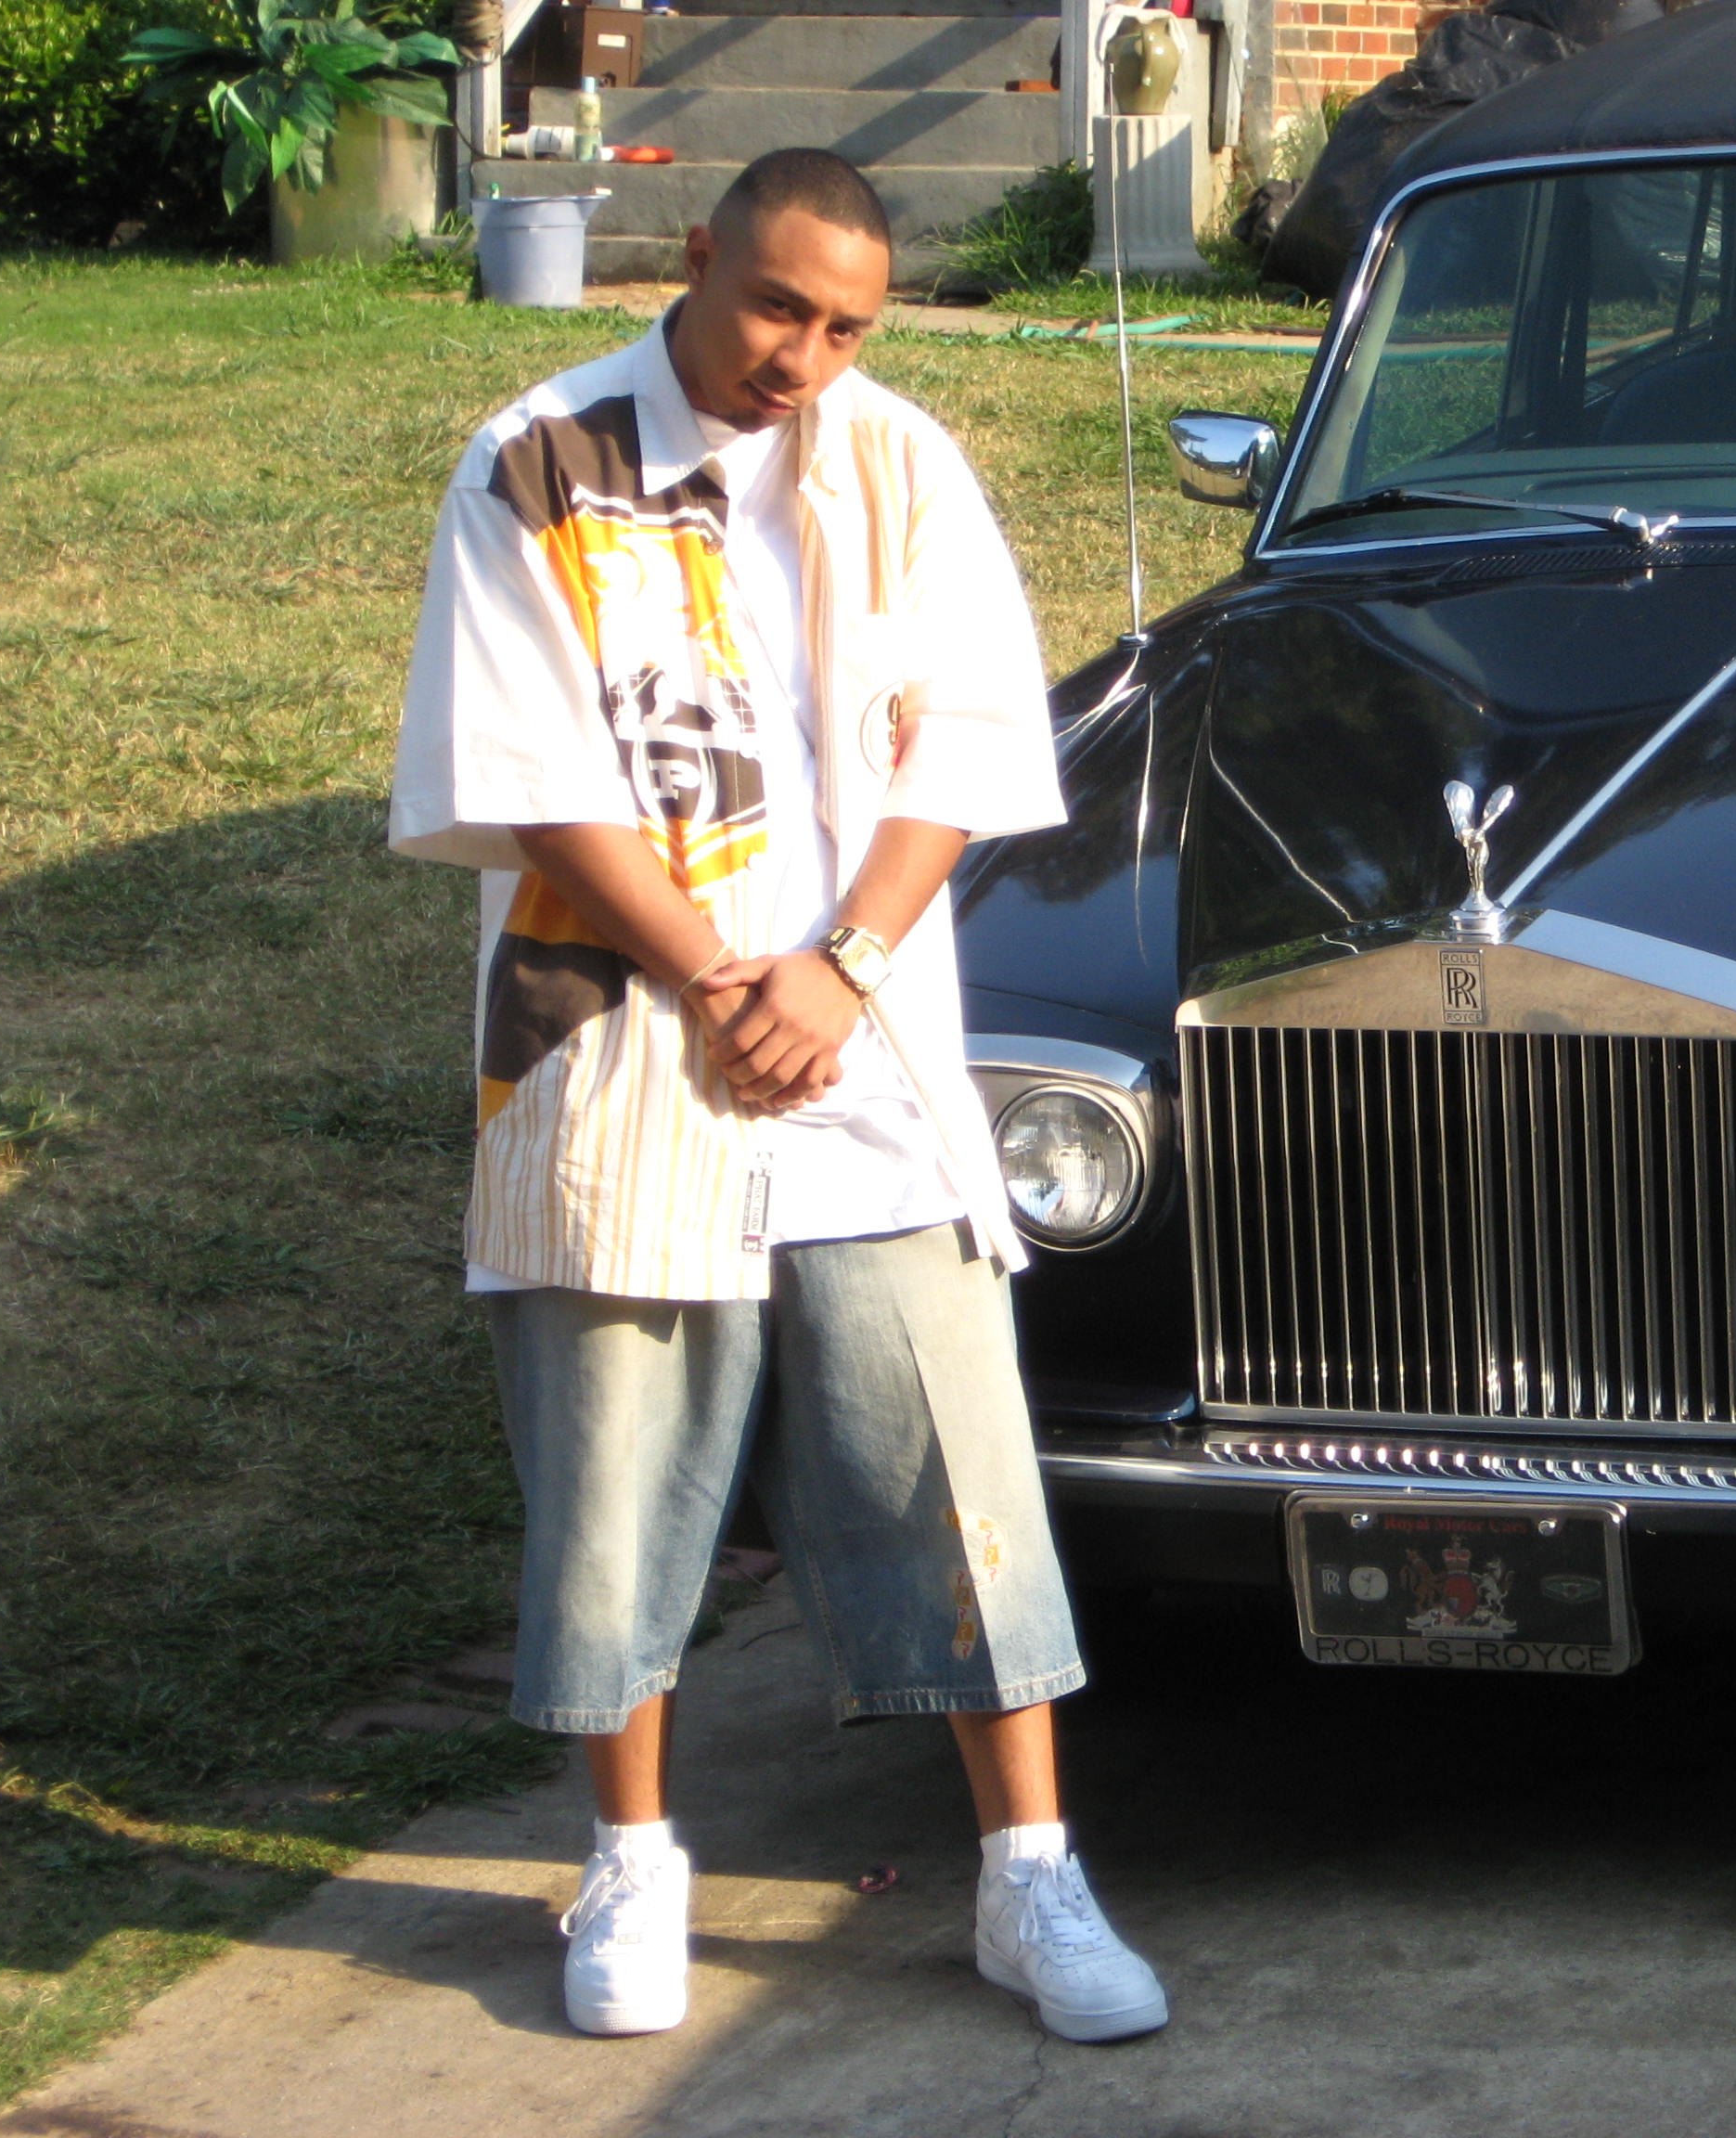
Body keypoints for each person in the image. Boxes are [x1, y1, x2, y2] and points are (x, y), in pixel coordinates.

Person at [388, 147, 1166, 2046]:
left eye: (845, 327)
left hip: (863, 1042)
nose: (804, 356)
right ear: (695, 257)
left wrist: (840, 970)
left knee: (954, 1466)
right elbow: (532, 775)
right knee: (614, 1471)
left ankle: (1030, 1877)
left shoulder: (903, 462)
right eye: (777, 308)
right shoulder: (536, 460)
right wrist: (723, 978)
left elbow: (966, 749)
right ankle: (631, 1862)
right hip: (621, 1038)